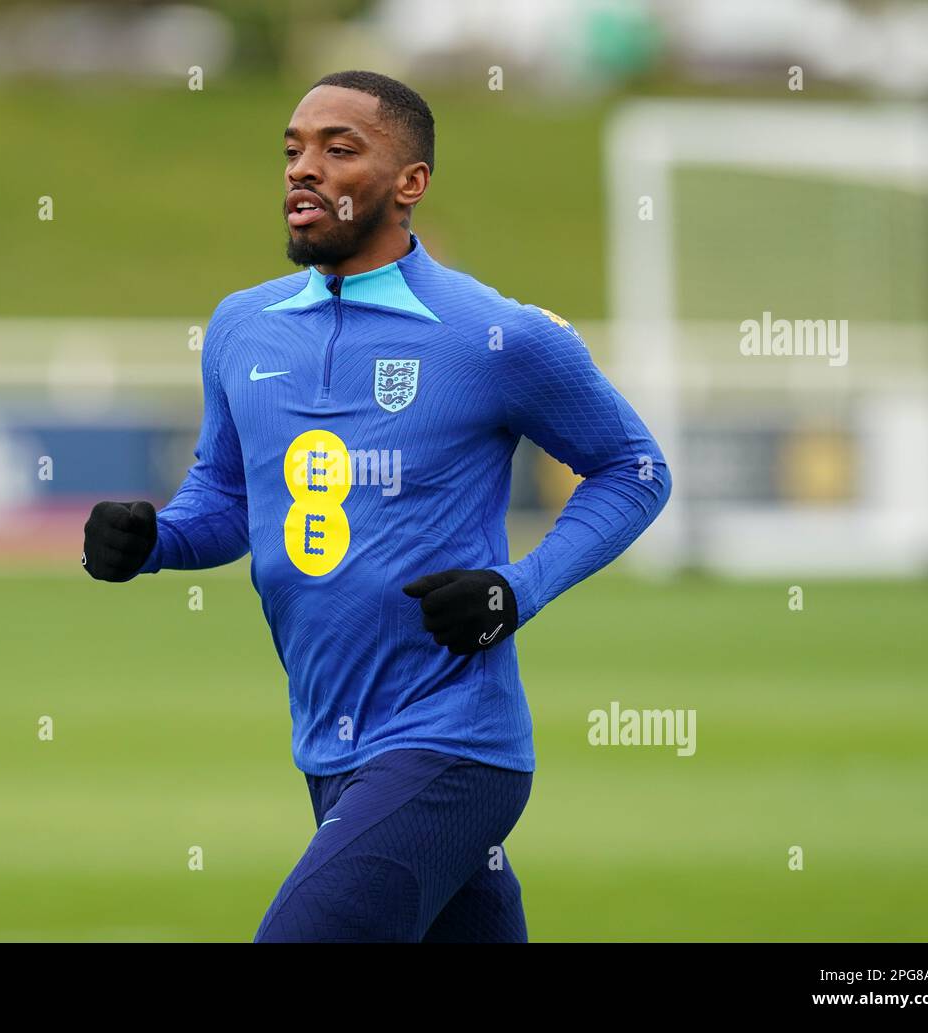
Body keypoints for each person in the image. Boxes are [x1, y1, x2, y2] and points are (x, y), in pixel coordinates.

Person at [82, 70, 671, 942]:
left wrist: (519, 587)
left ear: (411, 184)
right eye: (292, 150)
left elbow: (635, 468)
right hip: (330, 747)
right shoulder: (243, 327)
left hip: (451, 747)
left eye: (338, 149)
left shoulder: (493, 336)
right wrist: (153, 540)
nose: (303, 169)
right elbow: (228, 500)